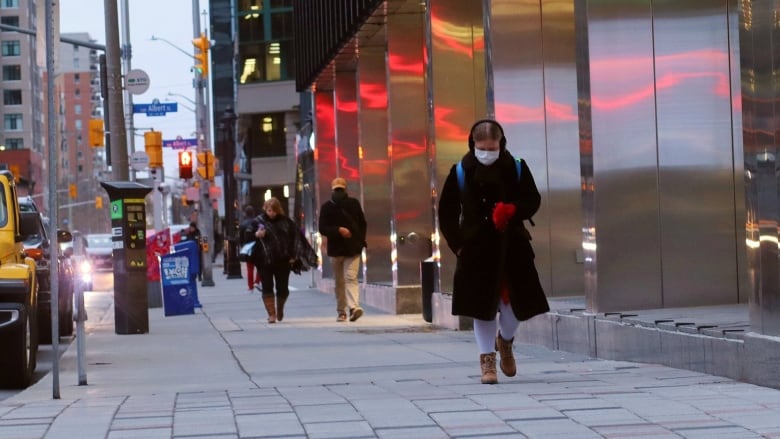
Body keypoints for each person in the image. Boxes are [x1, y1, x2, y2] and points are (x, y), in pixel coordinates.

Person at [437, 119, 550, 384]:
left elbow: (532, 199)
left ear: (501, 144)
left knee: (514, 308)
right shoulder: (461, 172)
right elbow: (447, 213)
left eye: (492, 147)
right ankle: (487, 361)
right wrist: (460, 245)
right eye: (482, 147)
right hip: (476, 250)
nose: (487, 152)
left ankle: (506, 341)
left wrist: (513, 210)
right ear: (472, 144)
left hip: (513, 247)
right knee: (482, 307)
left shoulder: (517, 168)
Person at [318, 177, 367, 322]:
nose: (338, 191)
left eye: (340, 189)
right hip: (336, 250)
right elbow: (322, 228)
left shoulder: (354, 204)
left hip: (352, 249)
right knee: (340, 281)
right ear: (333, 190)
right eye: (336, 189)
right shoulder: (327, 207)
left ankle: (353, 307)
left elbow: (362, 224)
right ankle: (341, 311)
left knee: (350, 278)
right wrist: (338, 230)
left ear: (345, 189)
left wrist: (359, 241)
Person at [253, 197, 298, 323]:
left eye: (273, 210)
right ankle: (271, 314)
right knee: (267, 286)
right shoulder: (258, 221)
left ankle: (280, 308)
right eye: (268, 210)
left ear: (278, 210)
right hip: (264, 260)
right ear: (265, 209)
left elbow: (294, 239)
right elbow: (248, 236)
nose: (271, 213)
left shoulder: (286, 222)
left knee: (282, 288)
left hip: (283, 260)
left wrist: (293, 255)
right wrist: (257, 235)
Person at [239, 205, 261, 292]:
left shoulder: (242, 224)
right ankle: (257, 281)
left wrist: (242, 247)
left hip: (247, 247)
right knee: (259, 266)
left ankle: (250, 286)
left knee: (249, 267)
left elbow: (241, 238)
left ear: (245, 213)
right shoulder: (257, 223)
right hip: (257, 246)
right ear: (253, 213)